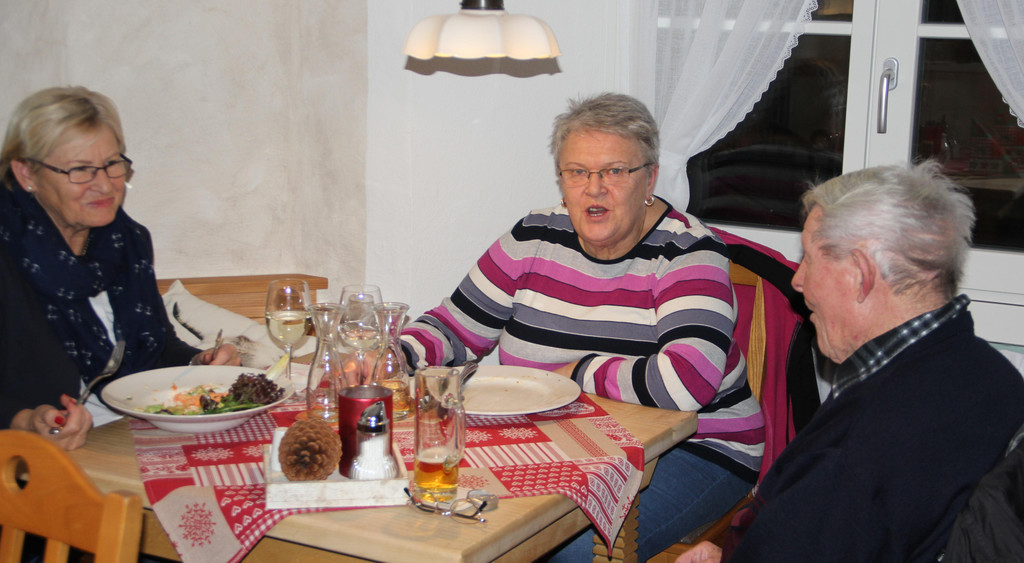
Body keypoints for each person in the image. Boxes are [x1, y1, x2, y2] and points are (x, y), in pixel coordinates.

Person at [401, 93, 765, 560]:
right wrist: (392, 356)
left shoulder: (689, 253)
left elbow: (685, 382)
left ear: (650, 178)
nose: (594, 189)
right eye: (577, 172)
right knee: (437, 518)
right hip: (554, 443)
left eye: (614, 171)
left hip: (694, 450)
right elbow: (454, 329)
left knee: (558, 551)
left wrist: (576, 374)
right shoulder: (534, 236)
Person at [678, 161, 1024, 563]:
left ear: (861, 274)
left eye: (810, 259)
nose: (798, 280)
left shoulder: (865, 443)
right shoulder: (991, 373)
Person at [0, 86, 240, 449]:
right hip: (39, 458)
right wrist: (23, 421)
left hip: (133, 435)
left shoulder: (127, 242)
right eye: (80, 170)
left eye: (112, 164)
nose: (105, 185)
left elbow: (155, 347)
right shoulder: (8, 256)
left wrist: (199, 363)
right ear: (26, 173)